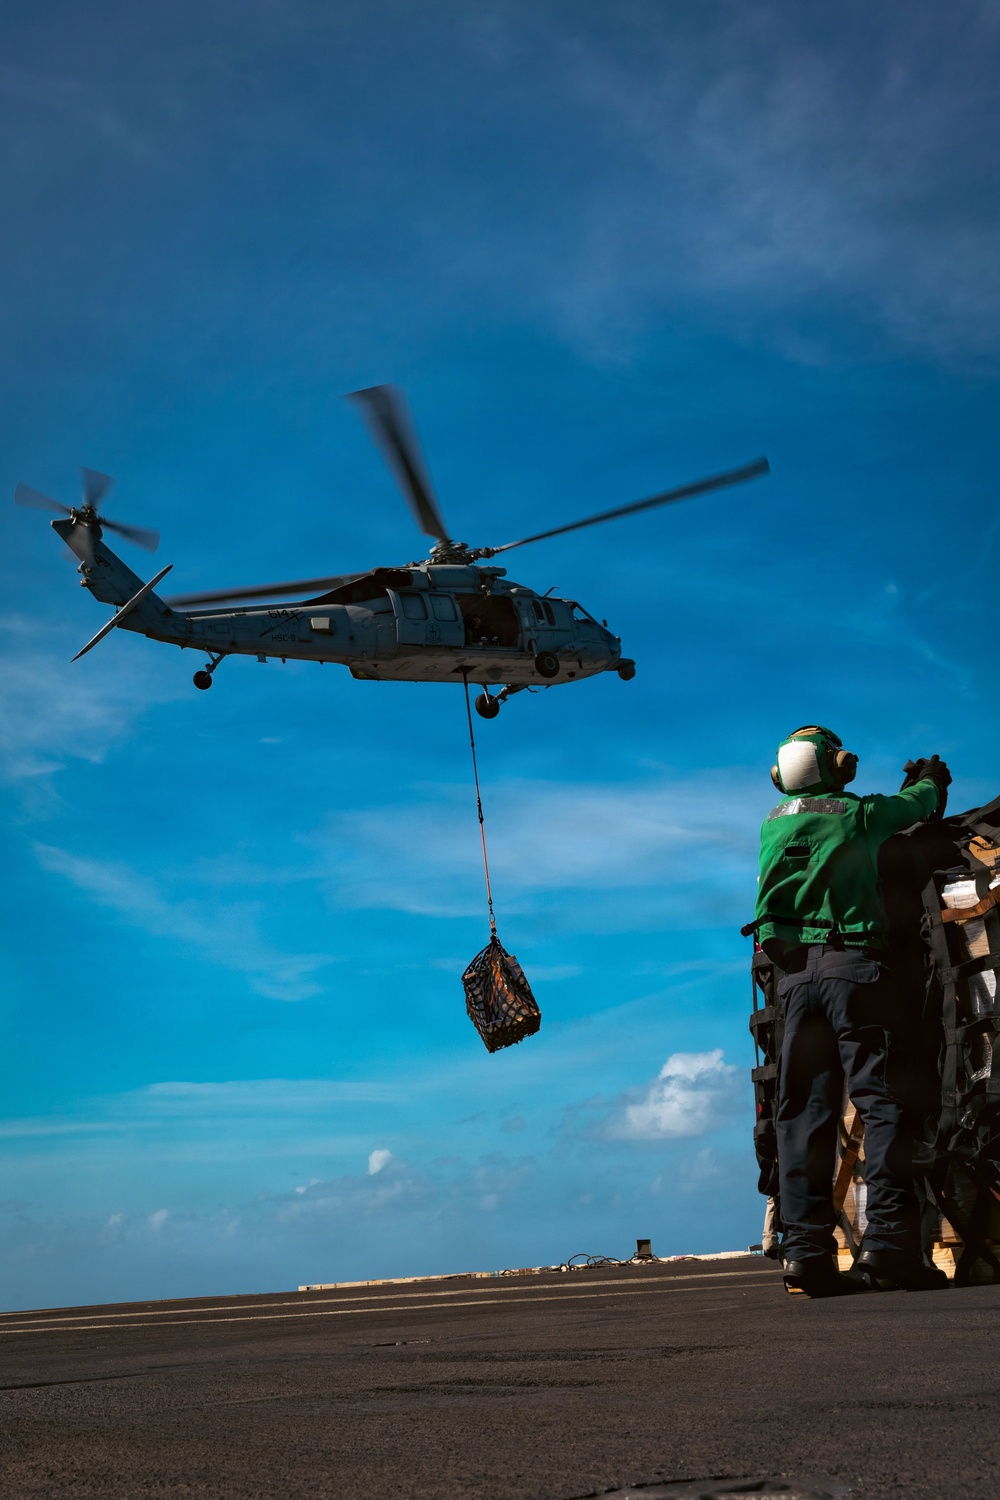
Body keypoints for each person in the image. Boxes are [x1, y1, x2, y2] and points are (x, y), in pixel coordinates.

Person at [754, 725, 952, 1298]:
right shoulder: (858, 814)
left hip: (794, 982)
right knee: (883, 1103)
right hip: (854, 968)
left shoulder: (772, 822)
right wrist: (928, 779)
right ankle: (888, 1249)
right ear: (841, 765)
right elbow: (916, 806)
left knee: (803, 1117)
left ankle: (806, 1256)